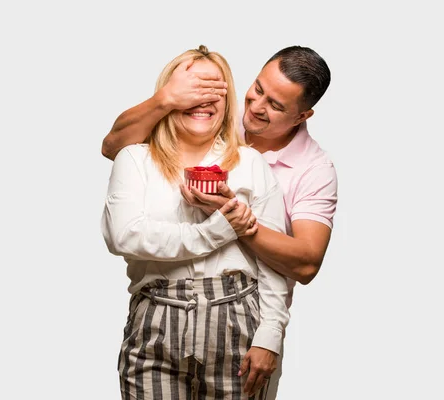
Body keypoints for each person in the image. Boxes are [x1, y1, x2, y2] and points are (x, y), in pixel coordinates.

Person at [101, 45, 338, 400]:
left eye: (275, 105)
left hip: (239, 318)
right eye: (257, 90)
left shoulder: (275, 166)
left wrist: (270, 333)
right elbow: (123, 226)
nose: (257, 108)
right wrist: (219, 228)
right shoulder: (137, 156)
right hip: (157, 319)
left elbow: (297, 263)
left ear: (303, 115)